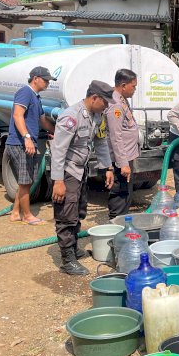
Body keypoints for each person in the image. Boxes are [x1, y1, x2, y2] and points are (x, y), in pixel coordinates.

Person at [51, 81, 115, 275]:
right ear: (94, 98)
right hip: (67, 172)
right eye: (105, 102)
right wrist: (58, 181)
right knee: (66, 215)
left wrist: (108, 168)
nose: (107, 107)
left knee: (79, 211)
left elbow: (101, 142)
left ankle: (73, 249)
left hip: (81, 170)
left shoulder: (96, 116)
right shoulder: (71, 117)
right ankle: (67, 260)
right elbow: (58, 150)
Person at [7, 66, 56, 225]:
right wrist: (26, 137)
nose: (48, 83)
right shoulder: (25, 92)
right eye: (46, 80)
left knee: (25, 181)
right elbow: (17, 115)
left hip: (27, 143)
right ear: (36, 78)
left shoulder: (36, 97)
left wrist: (57, 131)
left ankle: (15, 213)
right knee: (26, 181)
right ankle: (27, 216)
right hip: (20, 143)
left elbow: (43, 121)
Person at [105, 69, 140, 219]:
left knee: (126, 194)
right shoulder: (115, 105)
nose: (135, 90)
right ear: (123, 85)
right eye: (133, 86)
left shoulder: (122, 99)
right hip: (121, 158)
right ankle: (116, 228)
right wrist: (123, 163)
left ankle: (122, 226)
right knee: (120, 194)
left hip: (127, 155)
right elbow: (115, 135)